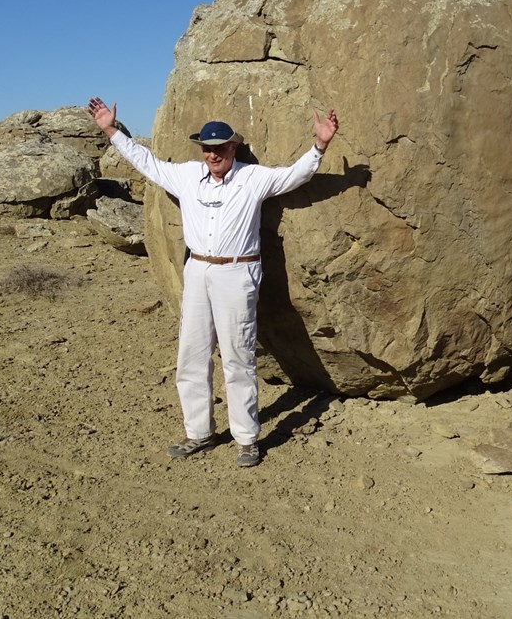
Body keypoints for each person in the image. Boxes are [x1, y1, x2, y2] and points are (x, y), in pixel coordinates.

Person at [86, 97, 339, 467]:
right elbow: (147, 163)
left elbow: (294, 176)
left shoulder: (252, 178)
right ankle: (198, 433)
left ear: (233, 147)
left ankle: (247, 438)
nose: (213, 155)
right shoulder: (187, 175)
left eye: (220, 148)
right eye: (207, 148)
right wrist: (111, 130)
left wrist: (320, 145)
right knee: (191, 355)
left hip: (237, 273)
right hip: (198, 271)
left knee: (238, 358)